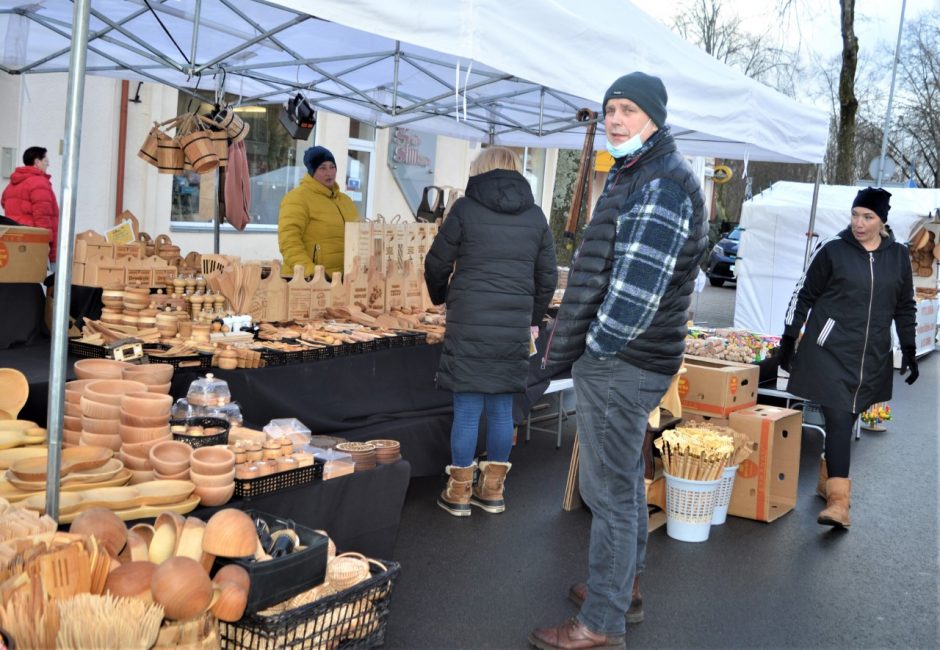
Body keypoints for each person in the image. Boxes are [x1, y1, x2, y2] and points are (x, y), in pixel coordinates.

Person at [529, 72, 707, 650]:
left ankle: (600, 625)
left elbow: (636, 294)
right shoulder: (639, 173)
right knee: (624, 483)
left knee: (609, 495)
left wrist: (595, 350)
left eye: (627, 109)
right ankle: (621, 588)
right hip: (626, 360)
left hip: (622, 361)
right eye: (609, 109)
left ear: (653, 117)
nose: (614, 119)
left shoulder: (663, 182)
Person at [424, 146, 557, 517]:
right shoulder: (535, 217)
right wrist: (529, 316)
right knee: (502, 410)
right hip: (513, 326)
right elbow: (547, 276)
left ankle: (459, 492)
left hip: (468, 322)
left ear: (480, 170)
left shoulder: (465, 210)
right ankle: (493, 491)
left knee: (467, 411)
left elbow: (436, 262)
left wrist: (442, 298)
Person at [777, 187, 917, 529]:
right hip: (829, 350)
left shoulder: (898, 256)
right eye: (855, 215)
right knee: (839, 418)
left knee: (849, 415)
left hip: (870, 354)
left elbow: (904, 305)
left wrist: (909, 347)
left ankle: (828, 478)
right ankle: (840, 501)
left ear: (882, 221)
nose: (859, 223)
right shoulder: (833, 250)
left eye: (867, 217)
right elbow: (804, 292)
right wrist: (789, 337)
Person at [277, 146, 358, 278]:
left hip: (342, 280)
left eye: (332, 167)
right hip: (307, 281)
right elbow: (289, 242)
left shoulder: (346, 201)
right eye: (322, 168)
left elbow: (357, 237)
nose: (329, 173)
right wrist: (311, 272)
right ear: (311, 172)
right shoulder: (297, 198)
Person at [1, 146, 60, 262]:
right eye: (46, 161)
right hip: (34, 242)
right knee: (43, 277)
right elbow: (42, 216)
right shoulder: (39, 182)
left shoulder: (12, 183)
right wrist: (46, 243)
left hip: (14, 241)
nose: (48, 165)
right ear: (37, 162)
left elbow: (4, 203)